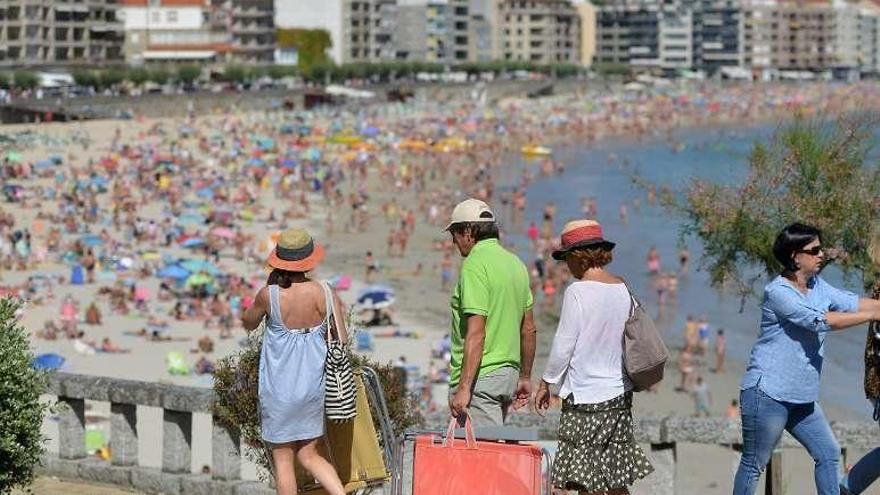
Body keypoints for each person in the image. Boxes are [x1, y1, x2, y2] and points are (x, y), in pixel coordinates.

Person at [733, 223, 880, 495]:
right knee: (754, 463)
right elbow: (822, 321)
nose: (821, 254)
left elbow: (853, 303)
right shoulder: (778, 293)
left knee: (828, 453)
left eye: (821, 247)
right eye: (814, 250)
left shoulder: (817, 285)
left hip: (802, 398)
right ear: (794, 256)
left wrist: (876, 307)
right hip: (768, 394)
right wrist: (873, 315)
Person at [535, 219, 653, 493]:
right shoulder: (623, 288)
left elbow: (564, 343)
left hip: (586, 395)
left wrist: (546, 383)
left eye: (566, 259)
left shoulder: (577, 292)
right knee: (614, 476)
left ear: (578, 257)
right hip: (619, 394)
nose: (567, 266)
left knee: (585, 478)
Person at [241, 227, 347, 495]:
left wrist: (268, 290)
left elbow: (248, 323)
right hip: (312, 388)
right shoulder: (325, 291)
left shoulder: (270, 296)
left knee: (283, 461)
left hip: (279, 390)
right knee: (309, 456)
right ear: (308, 260)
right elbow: (341, 339)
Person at [445, 198, 536, 426]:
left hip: (481, 376)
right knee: (490, 449)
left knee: (481, 455)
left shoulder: (475, 264)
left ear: (468, 231)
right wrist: (525, 376)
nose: (453, 242)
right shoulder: (516, 264)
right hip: (508, 374)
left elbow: (476, 332)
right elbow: (528, 329)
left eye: (454, 234)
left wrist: (464, 387)